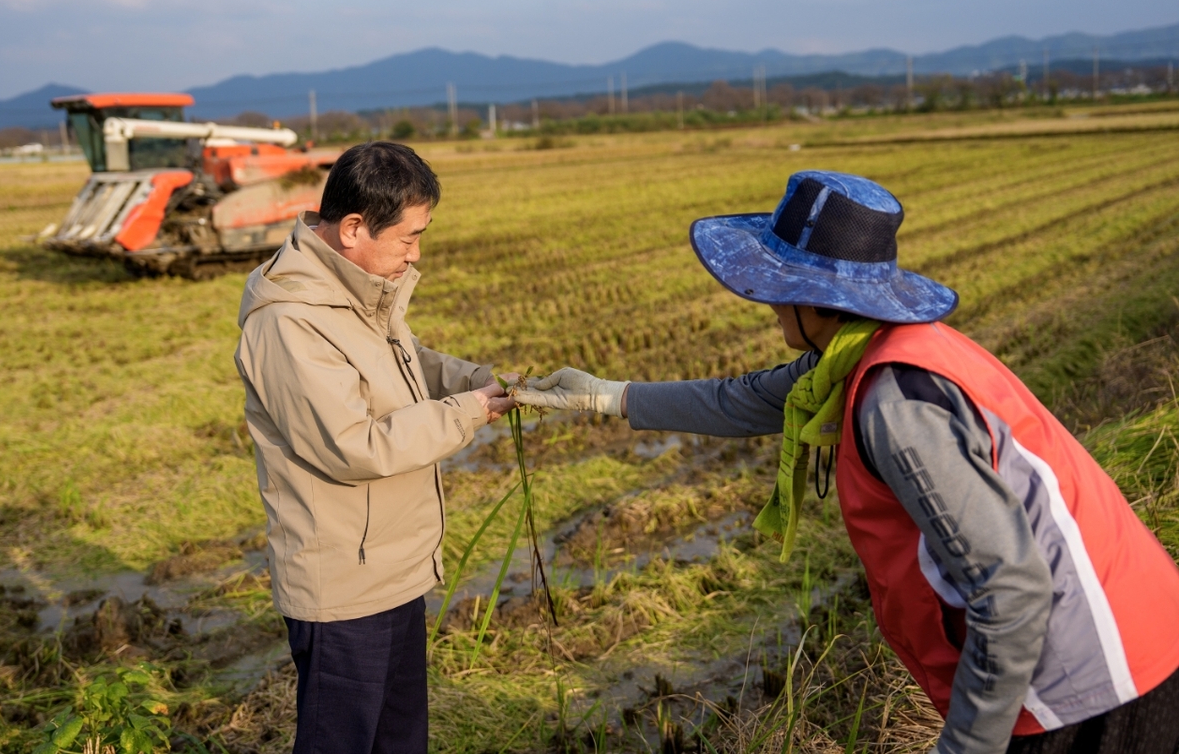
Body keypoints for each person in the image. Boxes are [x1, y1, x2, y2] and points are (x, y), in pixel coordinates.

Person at [514, 170, 1179, 754]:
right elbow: (745, 399)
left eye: (777, 286)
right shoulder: (871, 351)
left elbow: (1011, 591)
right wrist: (605, 396)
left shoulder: (897, 404)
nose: (769, 303)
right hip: (1121, 631)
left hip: (1088, 679)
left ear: (816, 297)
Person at [234, 142, 515, 754]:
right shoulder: (289, 322)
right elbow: (354, 447)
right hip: (343, 585)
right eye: (408, 238)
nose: (416, 254)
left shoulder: (358, 286)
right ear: (354, 229)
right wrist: (468, 411)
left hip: (394, 567)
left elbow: (404, 361)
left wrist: (476, 380)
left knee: (400, 739)